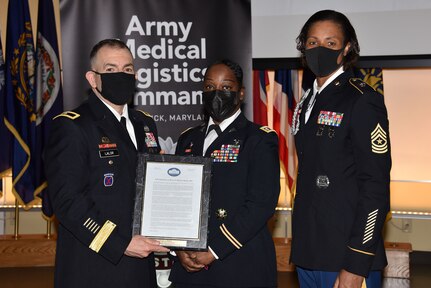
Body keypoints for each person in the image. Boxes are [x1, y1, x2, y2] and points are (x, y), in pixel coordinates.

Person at [44, 38, 169, 288]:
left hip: (141, 264)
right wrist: (119, 243)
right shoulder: (72, 126)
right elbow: (67, 202)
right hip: (94, 265)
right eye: (110, 70)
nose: (121, 76)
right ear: (93, 79)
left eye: (128, 69)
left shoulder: (145, 124)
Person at [290, 10, 391, 288]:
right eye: (312, 42)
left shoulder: (361, 100)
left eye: (330, 43)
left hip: (346, 255)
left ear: (346, 48)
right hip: (309, 250)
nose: (319, 49)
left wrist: (356, 262)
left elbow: (376, 187)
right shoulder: (307, 100)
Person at [169, 59, 280, 288]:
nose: (217, 93)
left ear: (241, 93)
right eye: (209, 87)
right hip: (190, 268)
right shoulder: (187, 139)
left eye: (226, 87)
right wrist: (177, 247)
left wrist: (214, 249)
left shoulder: (259, 139)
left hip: (239, 264)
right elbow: (177, 200)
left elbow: (261, 204)